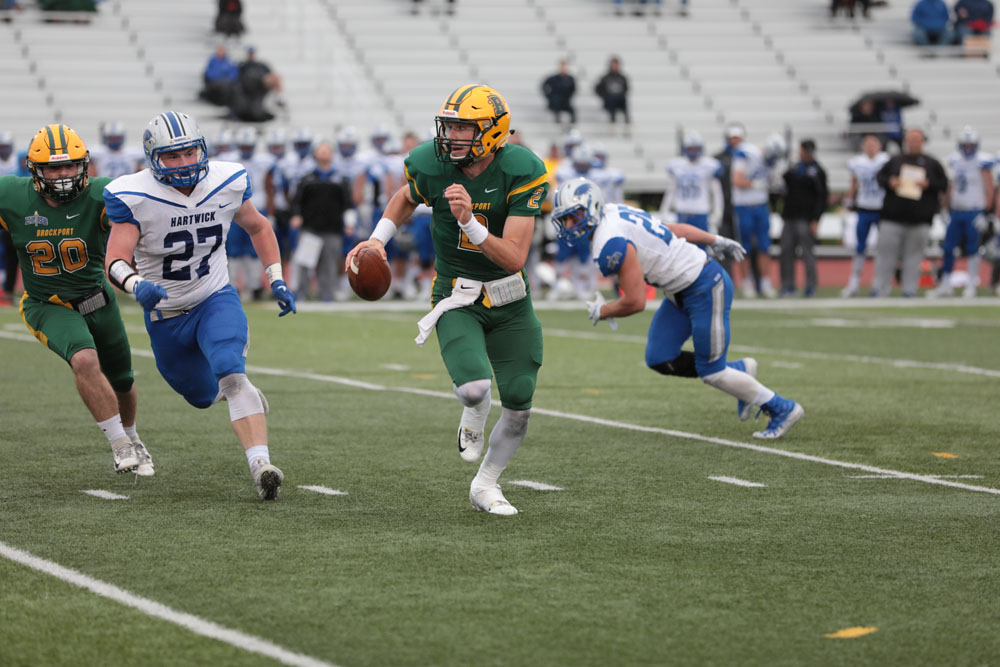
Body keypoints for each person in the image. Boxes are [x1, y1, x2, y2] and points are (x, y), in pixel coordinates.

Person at [346, 84, 548, 516]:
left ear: (493, 132)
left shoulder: (522, 168)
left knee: (520, 405)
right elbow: (405, 196)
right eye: (450, 125)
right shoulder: (431, 163)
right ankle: (474, 411)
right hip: (458, 293)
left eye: (463, 127)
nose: (452, 135)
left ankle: (486, 485)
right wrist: (377, 241)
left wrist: (470, 223)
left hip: (511, 297)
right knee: (474, 388)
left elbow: (514, 257)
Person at [103, 111, 297, 500]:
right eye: (171, 156)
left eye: (189, 152)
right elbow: (115, 260)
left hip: (214, 297)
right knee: (200, 395)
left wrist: (275, 276)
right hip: (166, 316)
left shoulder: (226, 180)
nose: (183, 163)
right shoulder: (134, 195)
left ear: (202, 149)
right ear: (152, 158)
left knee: (230, 370)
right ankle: (238, 394)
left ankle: (261, 465)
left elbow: (258, 226)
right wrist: (136, 284)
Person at [552, 176, 804, 439]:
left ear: (592, 207)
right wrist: (713, 239)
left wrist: (603, 311)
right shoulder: (615, 211)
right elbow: (672, 230)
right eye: (565, 219)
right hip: (678, 291)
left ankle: (782, 408)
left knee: (713, 372)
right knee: (659, 357)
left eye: (574, 216)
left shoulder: (610, 241)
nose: (570, 225)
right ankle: (740, 372)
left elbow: (636, 301)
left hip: (705, 286)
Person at [0, 124, 153, 476]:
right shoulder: (11, 195)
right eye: (54, 167)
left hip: (99, 298)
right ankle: (119, 445)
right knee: (84, 359)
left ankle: (132, 437)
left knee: (123, 381)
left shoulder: (103, 193)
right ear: (34, 169)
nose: (64, 174)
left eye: (70, 165)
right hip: (47, 303)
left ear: (85, 164)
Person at [873, 128, 949, 297]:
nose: (914, 142)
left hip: (920, 219)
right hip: (892, 218)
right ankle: (880, 289)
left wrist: (928, 185)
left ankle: (909, 290)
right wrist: (890, 182)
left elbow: (943, 184)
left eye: (917, 139)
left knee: (913, 258)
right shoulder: (895, 160)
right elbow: (879, 178)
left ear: (923, 141)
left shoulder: (931, 163)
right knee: (886, 256)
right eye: (911, 139)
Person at [929, 126, 994, 297]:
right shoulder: (955, 161)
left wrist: (986, 213)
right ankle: (946, 283)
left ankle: (972, 284)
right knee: (948, 248)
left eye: (970, 145)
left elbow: (990, 189)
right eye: (965, 145)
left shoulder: (983, 162)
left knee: (973, 248)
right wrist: (945, 209)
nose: (968, 149)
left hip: (974, 211)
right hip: (957, 211)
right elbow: (951, 187)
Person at [290, 141, 351, 301]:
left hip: (332, 228)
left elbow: (348, 204)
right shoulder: (307, 179)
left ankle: (327, 293)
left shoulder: (340, 179)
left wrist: (350, 223)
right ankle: (301, 292)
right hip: (311, 227)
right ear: (316, 154)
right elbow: (297, 201)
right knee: (304, 262)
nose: (324, 154)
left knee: (329, 264)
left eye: (326, 150)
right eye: (321, 151)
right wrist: (296, 215)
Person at [727, 122, 777, 298]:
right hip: (744, 207)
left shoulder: (765, 159)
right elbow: (737, 180)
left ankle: (764, 282)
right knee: (744, 247)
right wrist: (757, 184)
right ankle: (747, 282)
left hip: (761, 206)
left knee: (765, 246)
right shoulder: (744, 154)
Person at [779, 140, 828, 297]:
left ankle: (810, 286)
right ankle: (787, 285)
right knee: (786, 251)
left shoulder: (818, 171)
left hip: (805, 218)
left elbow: (822, 197)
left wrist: (816, 219)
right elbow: (784, 183)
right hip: (789, 216)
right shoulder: (794, 167)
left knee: (807, 253)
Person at [843, 133, 890, 296]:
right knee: (860, 247)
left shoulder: (886, 160)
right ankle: (854, 282)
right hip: (863, 208)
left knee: (882, 248)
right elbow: (853, 182)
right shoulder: (857, 162)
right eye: (867, 144)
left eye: (873, 144)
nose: (870, 148)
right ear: (863, 147)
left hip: (881, 209)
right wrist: (849, 201)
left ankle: (879, 283)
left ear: (879, 146)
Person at [661, 131, 724, 238]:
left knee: (702, 249)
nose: (693, 151)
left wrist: (718, 214)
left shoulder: (710, 165)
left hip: (701, 213)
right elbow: (671, 190)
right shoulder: (677, 165)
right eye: (690, 148)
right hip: (682, 213)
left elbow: (716, 193)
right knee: (681, 249)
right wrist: (664, 211)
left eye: (695, 148)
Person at [0, 130, 21, 301]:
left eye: (6, 147)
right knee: (9, 256)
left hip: (18, 214)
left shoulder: (19, 162)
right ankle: (7, 292)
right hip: (4, 213)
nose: (4, 150)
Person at [594, 56, 630, 129]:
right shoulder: (605, 77)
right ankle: (612, 122)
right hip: (609, 101)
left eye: (616, 65)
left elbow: (626, 89)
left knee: (623, 101)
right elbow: (597, 89)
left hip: (619, 101)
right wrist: (604, 96)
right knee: (612, 101)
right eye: (613, 64)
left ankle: (627, 123)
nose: (614, 66)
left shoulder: (622, 77)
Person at [541, 60, 577, 126]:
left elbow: (574, 89)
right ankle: (557, 123)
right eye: (562, 67)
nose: (563, 68)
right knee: (556, 107)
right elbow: (544, 86)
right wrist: (549, 97)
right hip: (556, 101)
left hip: (566, 101)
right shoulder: (553, 78)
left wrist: (569, 96)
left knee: (572, 111)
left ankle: (573, 125)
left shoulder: (570, 78)